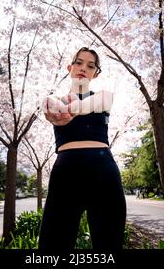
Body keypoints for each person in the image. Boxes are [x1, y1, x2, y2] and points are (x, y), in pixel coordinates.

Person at [38, 47, 126, 251]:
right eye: (78, 62)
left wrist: (74, 108)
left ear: (96, 73)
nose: (83, 68)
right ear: (69, 67)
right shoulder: (56, 101)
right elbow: (48, 105)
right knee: (53, 244)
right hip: (67, 171)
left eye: (90, 65)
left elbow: (101, 100)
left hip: (104, 170)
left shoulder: (103, 97)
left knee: (109, 244)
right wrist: (51, 107)